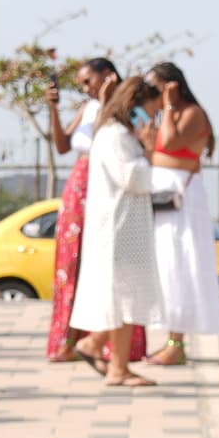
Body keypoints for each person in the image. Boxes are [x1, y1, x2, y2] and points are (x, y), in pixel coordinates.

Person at [67, 73, 166, 387]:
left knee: (127, 297)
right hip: (118, 232)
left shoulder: (121, 135)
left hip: (126, 230)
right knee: (124, 299)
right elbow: (135, 179)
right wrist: (150, 148)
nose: (152, 119)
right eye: (151, 111)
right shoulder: (116, 137)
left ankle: (94, 345)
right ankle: (117, 368)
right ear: (134, 106)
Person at [43, 56, 143, 364]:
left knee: (111, 262)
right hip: (79, 184)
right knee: (71, 262)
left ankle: (114, 344)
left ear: (108, 76)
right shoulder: (87, 108)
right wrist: (54, 109)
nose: (85, 88)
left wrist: (105, 101)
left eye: (89, 81)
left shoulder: (130, 111)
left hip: (109, 185)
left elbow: (110, 140)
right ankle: (69, 340)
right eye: (82, 84)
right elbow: (62, 146)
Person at [142, 60, 219, 364]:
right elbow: (157, 151)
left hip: (183, 200)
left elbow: (172, 141)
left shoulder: (192, 114)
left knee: (180, 263)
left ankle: (177, 342)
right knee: (165, 266)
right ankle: (169, 337)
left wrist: (167, 107)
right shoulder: (168, 117)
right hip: (162, 197)